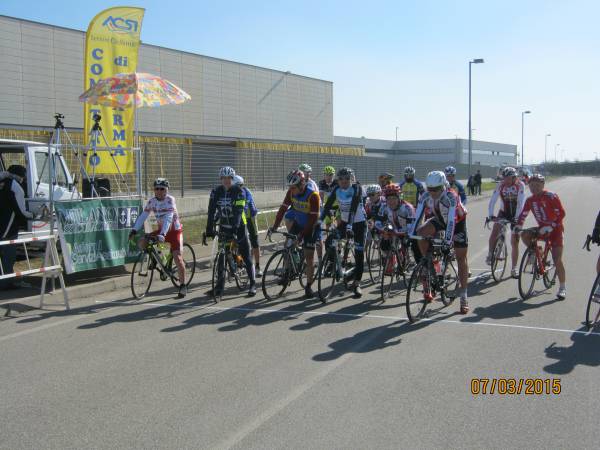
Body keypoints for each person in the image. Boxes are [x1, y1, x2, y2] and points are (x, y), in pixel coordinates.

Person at [410, 171, 470, 314]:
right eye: (430, 189)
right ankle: (429, 265)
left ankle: (463, 296)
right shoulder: (425, 196)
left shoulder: (451, 196)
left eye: (436, 189)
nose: (432, 192)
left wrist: (447, 242)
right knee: (420, 233)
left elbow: (451, 221)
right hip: (439, 219)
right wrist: (410, 235)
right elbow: (417, 217)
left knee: (461, 258)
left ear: (443, 186)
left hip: (457, 223)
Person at [129, 178, 188, 298]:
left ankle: (183, 286)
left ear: (167, 190)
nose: (159, 191)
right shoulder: (152, 201)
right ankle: (155, 257)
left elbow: (169, 217)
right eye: (157, 189)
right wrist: (134, 230)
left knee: (178, 259)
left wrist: (163, 234)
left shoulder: (170, 200)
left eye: (162, 189)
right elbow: (143, 216)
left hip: (174, 231)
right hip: (161, 231)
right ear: (154, 190)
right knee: (142, 242)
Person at [205, 167, 256, 297]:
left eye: (229, 178)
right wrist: (209, 229)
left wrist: (235, 230)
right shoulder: (216, 192)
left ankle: (252, 284)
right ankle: (219, 287)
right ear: (220, 179)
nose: (226, 181)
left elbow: (238, 212)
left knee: (246, 255)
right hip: (224, 227)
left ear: (232, 179)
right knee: (221, 257)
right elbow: (211, 211)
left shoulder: (239, 191)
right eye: (224, 178)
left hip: (239, 227)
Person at [515, 173, 566, 299]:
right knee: (525, 235)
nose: (534, 188)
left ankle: (562, 287)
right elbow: (523, 214)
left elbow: (561, 213)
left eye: (537, 185)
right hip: (542, 229)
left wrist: (551, 226)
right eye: (532, 186)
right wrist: (519, 226)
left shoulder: (551, 196)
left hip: (556, 230)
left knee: (557, 260)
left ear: (543, 185)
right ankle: (537, 251)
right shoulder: (530, 200)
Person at [270, 170, 320, 299]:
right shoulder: (291, 193)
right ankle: (286, 273)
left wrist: (301, 236)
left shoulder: (313, 195)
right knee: (287, 246)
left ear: (301, 184)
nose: (291, 190)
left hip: (311, 227)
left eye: (293, 187)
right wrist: (274, 227)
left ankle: (308, 286)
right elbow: (283, 209)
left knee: (309, 257)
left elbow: (313, 219)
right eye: (290, 187)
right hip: (298, 224)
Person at [321, 167, 367, 298]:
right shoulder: (337, 189)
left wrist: (350, 226)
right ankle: (335, 262)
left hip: (359, 223)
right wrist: (319, 221)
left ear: (351, 179)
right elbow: (327, 206)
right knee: (330, 241)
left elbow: (353, 208)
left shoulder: (357, 188)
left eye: (347, 178)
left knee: (359, 253)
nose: (344, 181)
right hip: (346, 222)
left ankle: (357, 283)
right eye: (340, 179)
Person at [486, 166, 526, 278]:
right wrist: (491, 215)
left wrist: (517, 218)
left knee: (514, 242)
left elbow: (521, 203)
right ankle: (490, 254)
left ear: (514, 178)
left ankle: (514, 268)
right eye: (504, 178)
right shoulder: (500, 185)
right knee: (494, 232)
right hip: (503, 212)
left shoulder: (520, 185)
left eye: (508, 178)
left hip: (516, 214)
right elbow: (493, 200)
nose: (506, 180)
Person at [0, 166, 34, 290]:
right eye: (23, 176)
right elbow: (21, 211)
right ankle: (5, 283)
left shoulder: (2, 181)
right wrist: (33, 215)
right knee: (8, 257)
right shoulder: (16, 187)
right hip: (8, 228)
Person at [374, 184, 415, 272]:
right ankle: (391, 260)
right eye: (389, 199)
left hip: (406, 231)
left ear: (399, 197)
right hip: (393, 230)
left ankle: (406, 258)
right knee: (383, 245)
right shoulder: (384, 206)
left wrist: (401, 233)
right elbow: (377, 222)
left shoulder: (407, 208)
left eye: (394, 198)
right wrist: (383, 229)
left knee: (405, 245)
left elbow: (411, 227)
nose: (391, 201)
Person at [234, 175, 262, 278]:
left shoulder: (246, 192)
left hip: (250, 217)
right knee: (237, 242)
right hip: (240, 218)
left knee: (254, 241)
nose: (238, 188)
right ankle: (240, 264)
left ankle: (257, 266)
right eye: (236, 186)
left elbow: (247, 207)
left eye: (240, 186)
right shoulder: (231, 192)